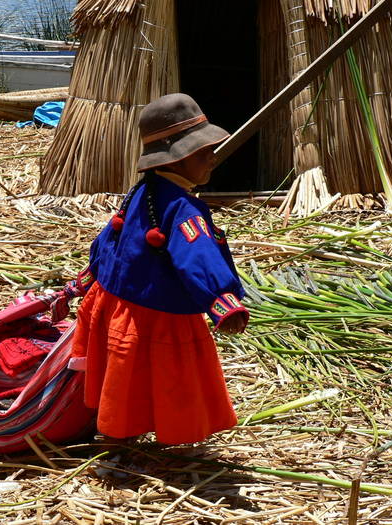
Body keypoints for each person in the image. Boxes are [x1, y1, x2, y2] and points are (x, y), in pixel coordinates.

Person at [66, 93, 249, 445]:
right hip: (158, 315)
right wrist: (223, 302)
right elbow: (197, 255)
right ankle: (140, 438)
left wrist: (89, 278)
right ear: (176, 158)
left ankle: (119, 433)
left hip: (118, 306)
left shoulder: (142, 191)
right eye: (202, 152)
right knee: (170, 379)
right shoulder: (183, 208)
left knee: (127, 377)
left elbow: (111, 238)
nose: (213, 158)